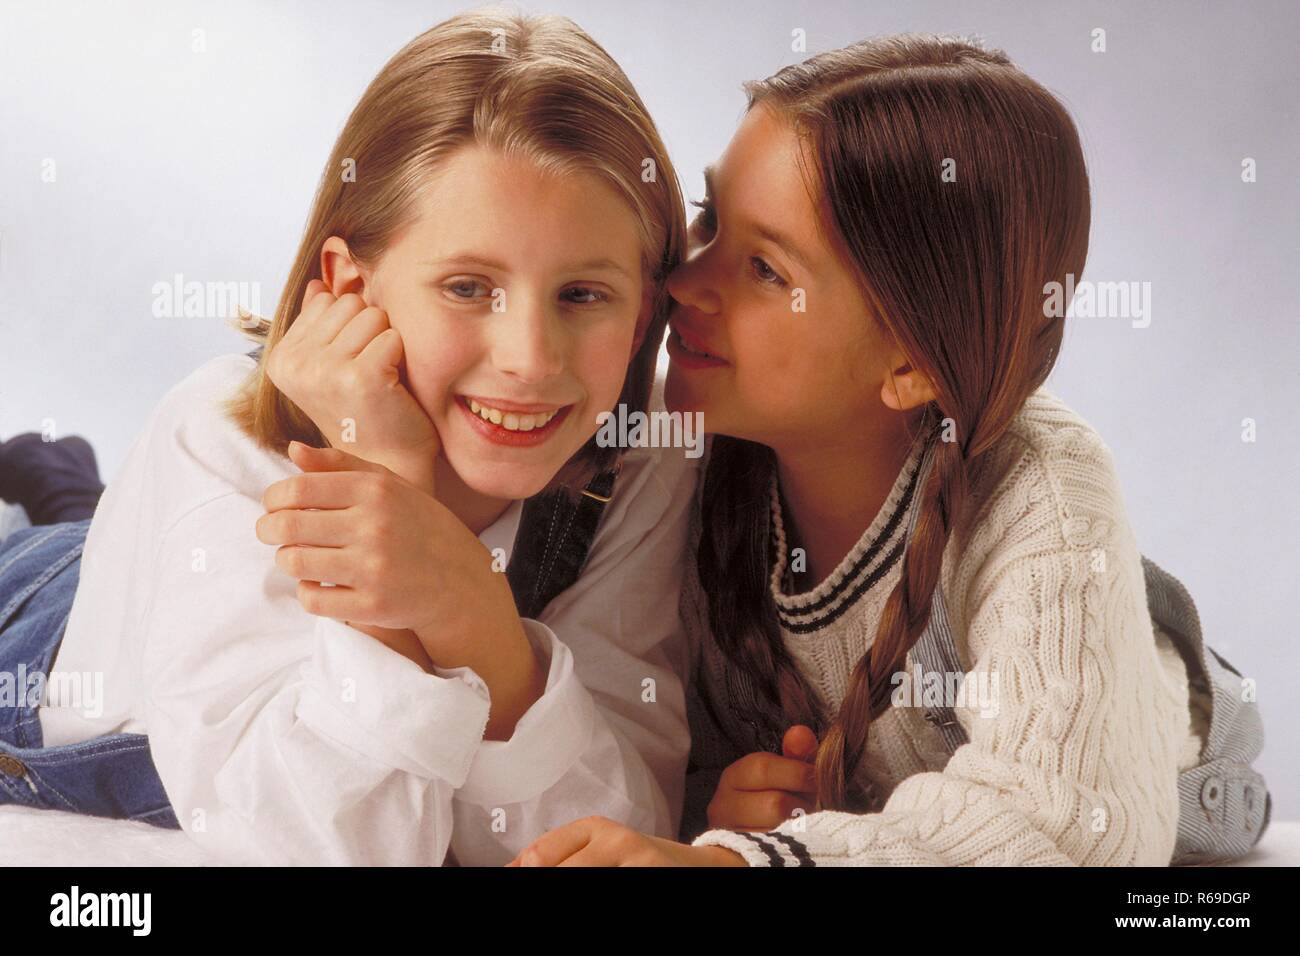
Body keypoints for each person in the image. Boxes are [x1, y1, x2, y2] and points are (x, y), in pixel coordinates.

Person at [0, 9, 696, 866]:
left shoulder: (640, 457)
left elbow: (618, 833)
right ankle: (52, 482)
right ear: (349, 285)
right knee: (42, 543)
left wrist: (475, 621)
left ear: (643, 317)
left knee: (76, 505)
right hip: (38, 620)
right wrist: (390, 482)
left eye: (582, 295)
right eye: (470, 287)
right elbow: (330, 850)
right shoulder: (218, 435)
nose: (529, 360)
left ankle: (61, 477)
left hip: (128, 548)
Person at [511, 35, 1206, 867]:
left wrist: (740, 862)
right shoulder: (683, 452)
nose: (689, 281)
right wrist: (710, 805)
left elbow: (1069, 830)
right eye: (710, 218)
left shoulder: (1043, 490)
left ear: (909, 360)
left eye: (765, 269)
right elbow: (631, 740)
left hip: (1160, 757)